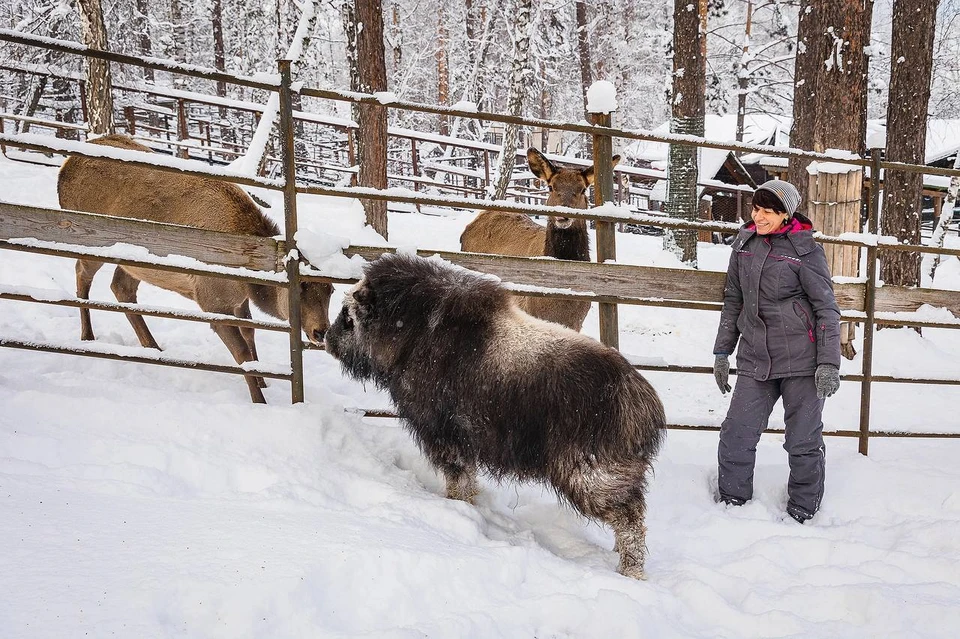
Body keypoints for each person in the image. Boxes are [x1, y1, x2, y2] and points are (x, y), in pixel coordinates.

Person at [712, 179, 841, 524]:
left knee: (802, 440)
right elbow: (733, 300)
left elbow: (827, 308)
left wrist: (828, 363)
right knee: (737, 433)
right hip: (756, 358)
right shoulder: (743, 244)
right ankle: (732, 506)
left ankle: (803, 509)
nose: (760, 217)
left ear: (786, 214)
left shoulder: (806, 250)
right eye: (756, 209)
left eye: (769, 211)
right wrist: (722, 353)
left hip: (802, 360)